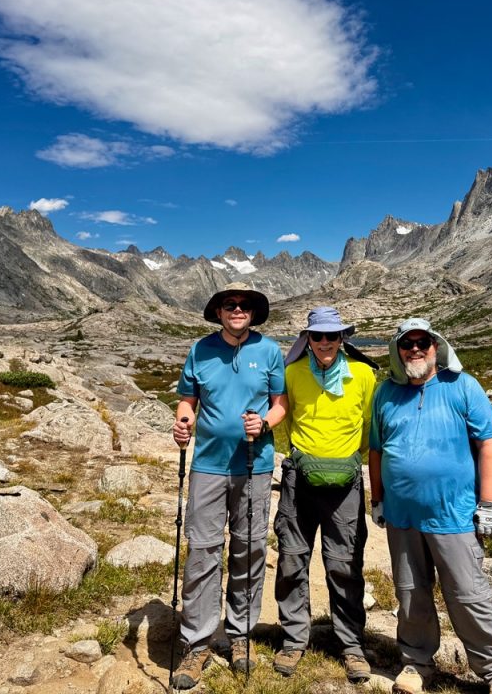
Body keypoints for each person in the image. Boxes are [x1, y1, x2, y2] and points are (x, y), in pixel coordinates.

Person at [368, 318, 492, 694]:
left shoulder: (462, 386)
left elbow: (488, 446)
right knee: (410, 593)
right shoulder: (385, 392)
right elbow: (375, 450)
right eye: (407, 344)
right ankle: (417, 663)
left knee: (469, 594)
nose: (415, 349)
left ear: (437, 347)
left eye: (423, 343)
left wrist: (489, 503)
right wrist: (377, 499)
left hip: (455, 515)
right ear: (397, 351)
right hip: (402, 517)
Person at [170, 282, 288, 689]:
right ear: (218, 312)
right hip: (207, 466)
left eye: (244, 305)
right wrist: (183, 422)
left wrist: (267, 422)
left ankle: (240, 635)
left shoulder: (270, 351)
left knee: (250, 548)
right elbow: (188, 399)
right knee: (202, 550)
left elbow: (280, 403)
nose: (237, 310)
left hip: (255, 467)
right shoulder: (200, 350)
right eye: (229, 305)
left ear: (253, 313)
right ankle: (198, 641)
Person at [272, 307, 378, 683]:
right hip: (299, 480)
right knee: (291, 559)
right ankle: (294, 640)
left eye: (332, 336)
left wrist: (347, 459)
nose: (325, 343)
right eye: (317, 337)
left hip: (345, 483)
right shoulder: (292, 373)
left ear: (343, 338)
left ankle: (351, 646)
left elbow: (369, 426)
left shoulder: (364, 375)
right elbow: (282, 417)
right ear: (309, 339)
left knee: (345, 564)